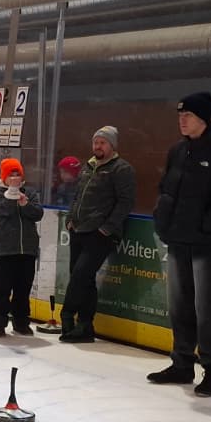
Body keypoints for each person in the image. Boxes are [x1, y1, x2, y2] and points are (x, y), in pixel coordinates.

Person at [147, 92, 211, 396]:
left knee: (208, 309)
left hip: (206, 246)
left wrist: (208, 224)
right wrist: (162, 220)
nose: (182, 121)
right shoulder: (178, 151)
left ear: (203, 118)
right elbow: (166, 190)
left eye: (187, 116)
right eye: (180, 116)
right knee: (180, 307)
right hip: (178, 241)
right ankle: (182, 363)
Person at [61, 125, 136, 343]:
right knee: (85, 279)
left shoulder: (121, 169)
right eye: (96, 142)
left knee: (80, 275)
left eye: (103, 142)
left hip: (99, 234)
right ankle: (85, 326)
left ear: (112, 145)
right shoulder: (88, 166)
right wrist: (70, 219)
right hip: (79, 230)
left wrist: (107, 228)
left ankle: (67, 315)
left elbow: (126, 202)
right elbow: (77, 196)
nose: (98, 146)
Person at [0, 157, 43, 337]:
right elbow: (1, 210)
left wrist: (25, 204)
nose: (15, 177)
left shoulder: (30, 192)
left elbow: (38, 214)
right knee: (1, 289)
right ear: (4, 177)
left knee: (23, 289)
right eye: (11, 174)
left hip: (27, 250)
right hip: (5, 250)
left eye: (17, 174)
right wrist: (12, 194)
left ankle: (21, 322)